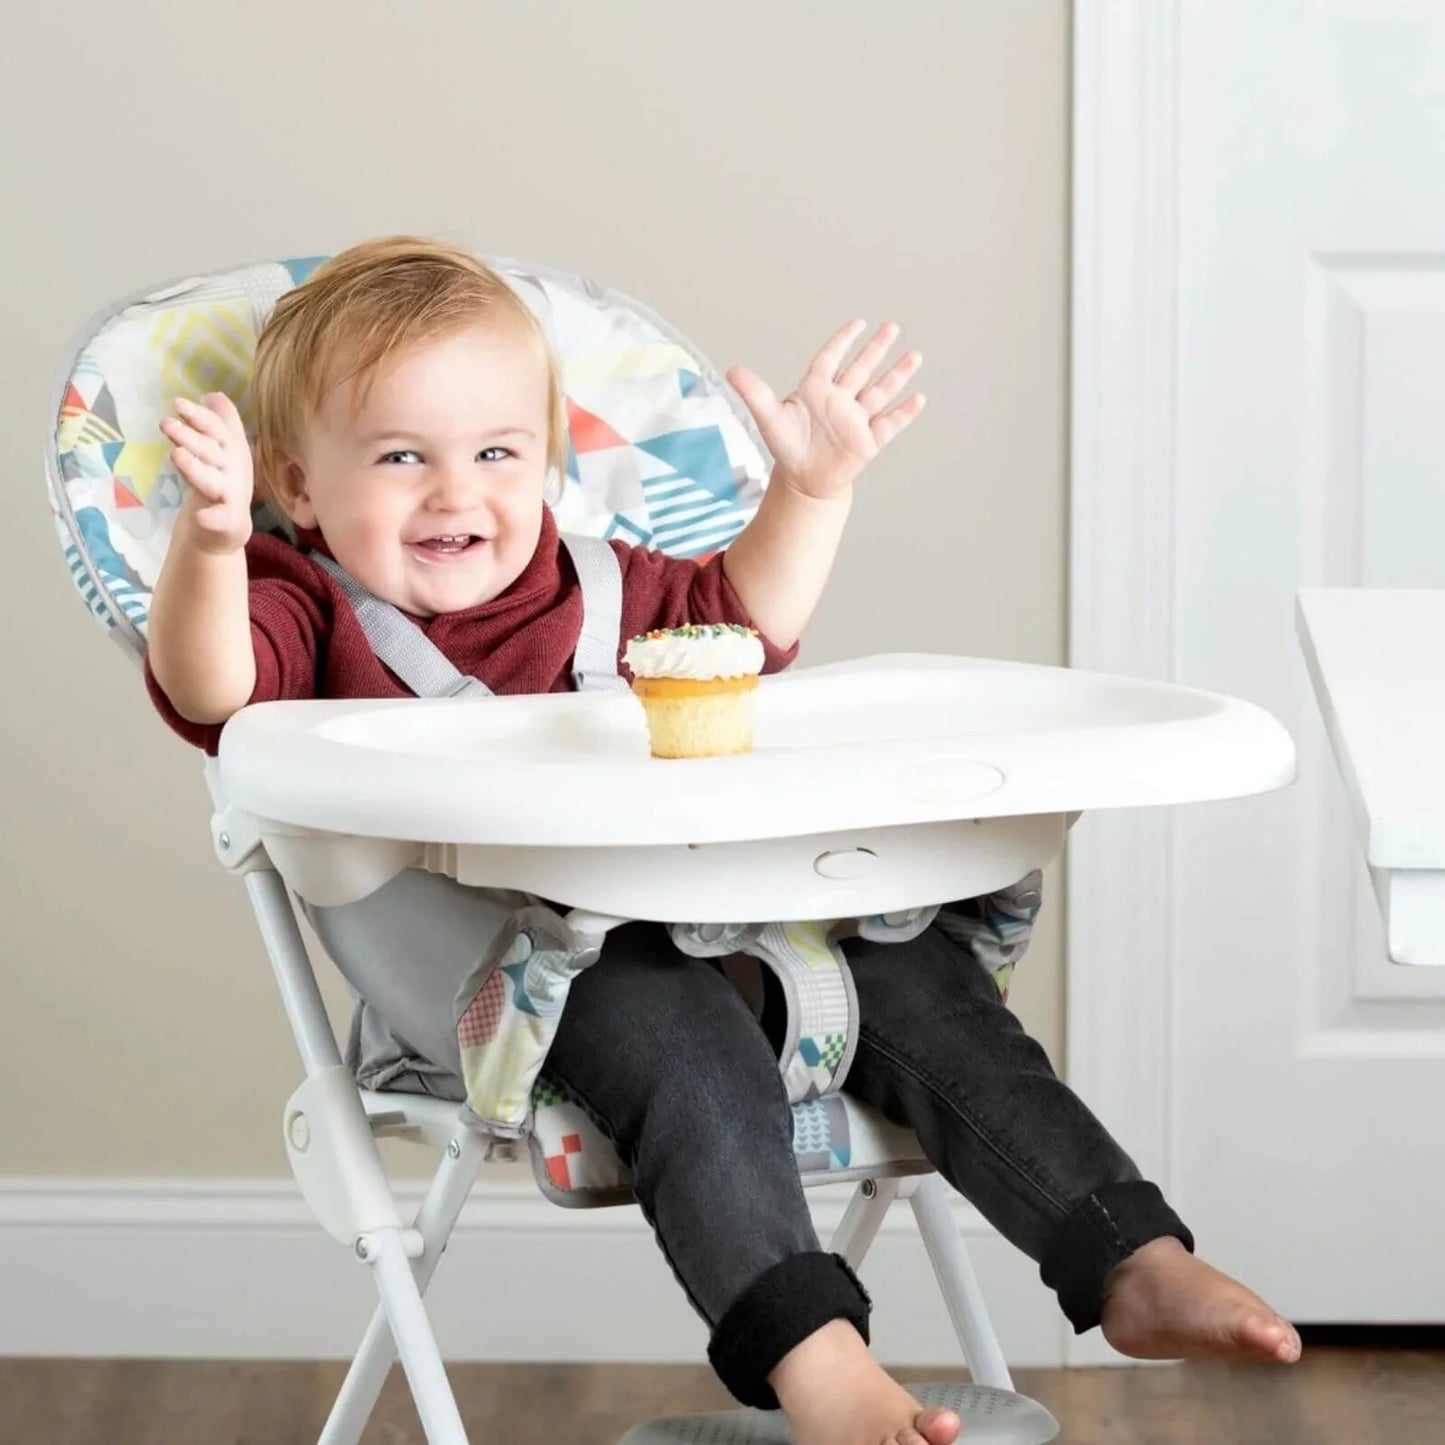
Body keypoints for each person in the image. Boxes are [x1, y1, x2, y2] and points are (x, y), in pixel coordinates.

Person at [146, 237, 1300, 1445]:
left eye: (496, 452)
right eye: (399, 456)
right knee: (682, 1038)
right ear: (299, 479)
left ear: (544, 459)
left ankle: (1131, 1255)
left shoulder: (597, 583)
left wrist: (808, 493)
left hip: (743, 918)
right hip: (508, 973)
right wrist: (215, 542)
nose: (454, 491)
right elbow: (218, 691)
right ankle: (820, 1366)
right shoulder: (303, 602)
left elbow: (739, 630)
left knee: (927, 985)